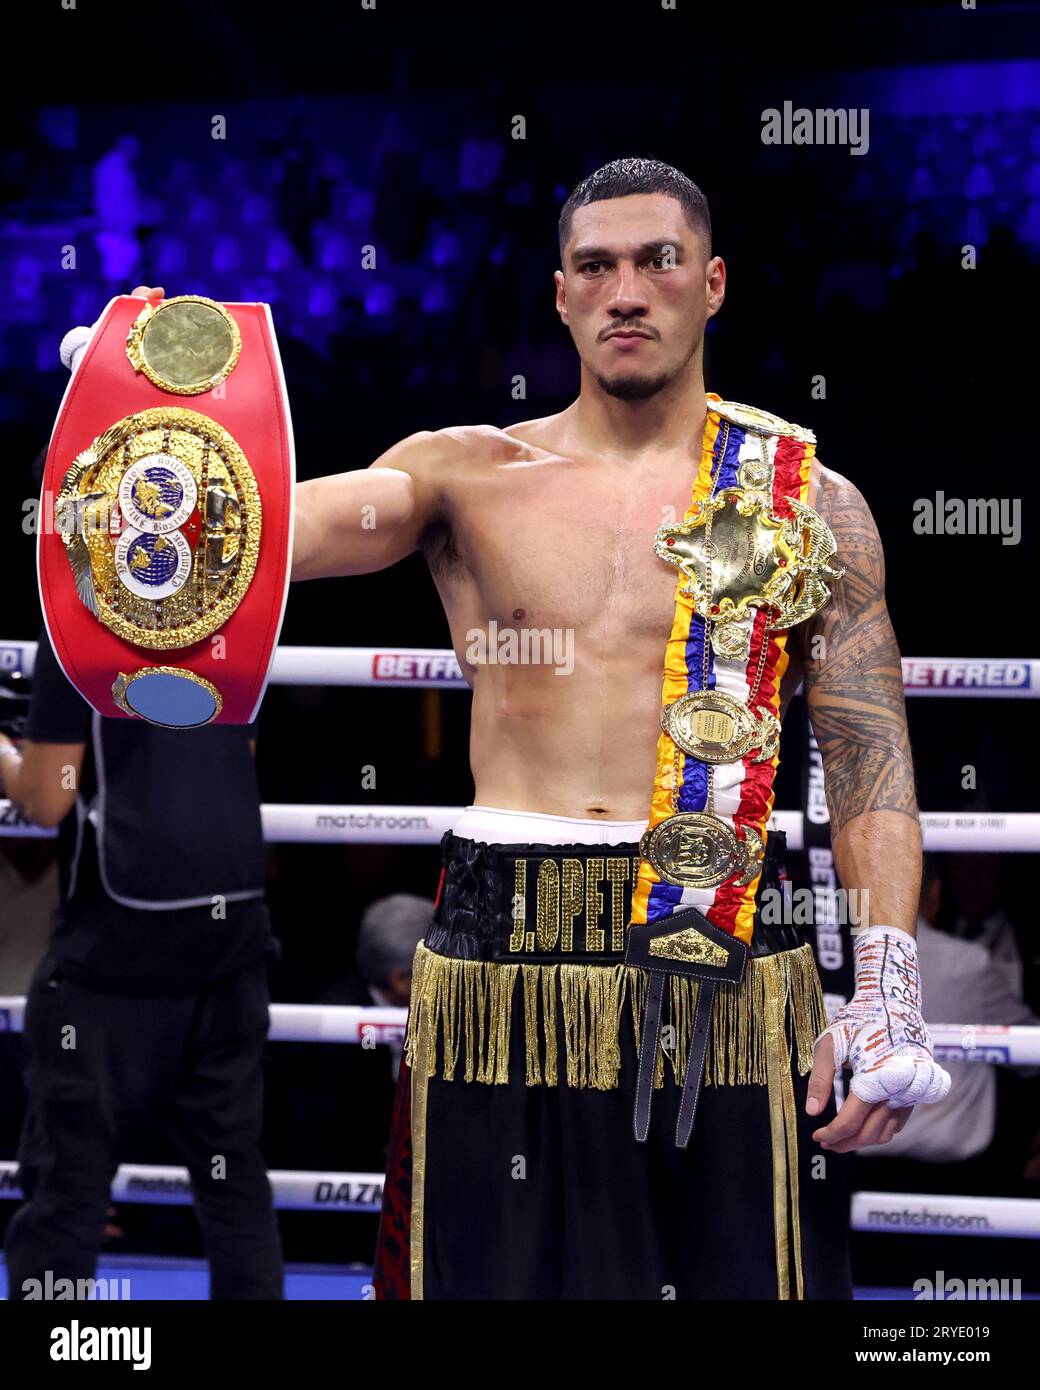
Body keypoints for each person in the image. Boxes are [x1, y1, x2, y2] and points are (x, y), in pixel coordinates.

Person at [77, 156, 950, 1300]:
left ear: (713, 283)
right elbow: (260, 533)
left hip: (726, 954)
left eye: (657, 261)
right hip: (503, 951)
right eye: (595, 266)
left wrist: (884, 993)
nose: (625, 291)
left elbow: (868, 759)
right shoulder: (463, 474)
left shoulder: (812, 501)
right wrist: (146, 451)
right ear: (560, 294)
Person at [0, 628, 284, 1300]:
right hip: (232, 942)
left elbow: (45, 800)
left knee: (68, 1180)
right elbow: (237, 752)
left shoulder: (78, 624)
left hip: (114, 954)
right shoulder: (233, 605)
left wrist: (7, 752)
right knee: (232, 1178)